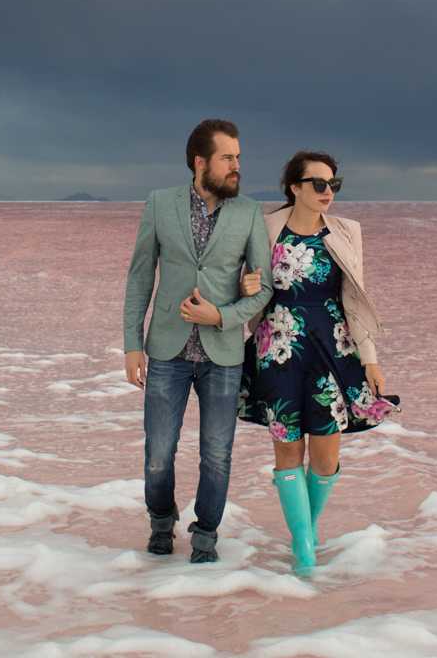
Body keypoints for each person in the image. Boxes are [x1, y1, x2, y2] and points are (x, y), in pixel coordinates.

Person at [238, 150, 398, 573]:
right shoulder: (265, 227)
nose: (329, 192)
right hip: (278, 348)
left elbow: (354, 299)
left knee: (325, 458)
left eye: (334, 184)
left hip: (333, 348)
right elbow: (244, 286)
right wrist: (245, 286)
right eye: (319, 184)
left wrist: (370, 359)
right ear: (295, 187)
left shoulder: (347, 231)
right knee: (288, 449)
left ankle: (303, 534)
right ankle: (305, 552)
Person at [123, 119, 273, 563]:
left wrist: (222, 315)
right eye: (228, 157)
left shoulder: (248, 212)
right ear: (200, 162)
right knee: (158, 454)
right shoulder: (159, 204)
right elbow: (139, 277)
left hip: (222, 354)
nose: (236, 166)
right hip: (166, 351)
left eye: (239, 158)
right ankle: (161, 522)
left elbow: (263, 289)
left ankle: (206, 534)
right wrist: (132, 343)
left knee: (216, 456)